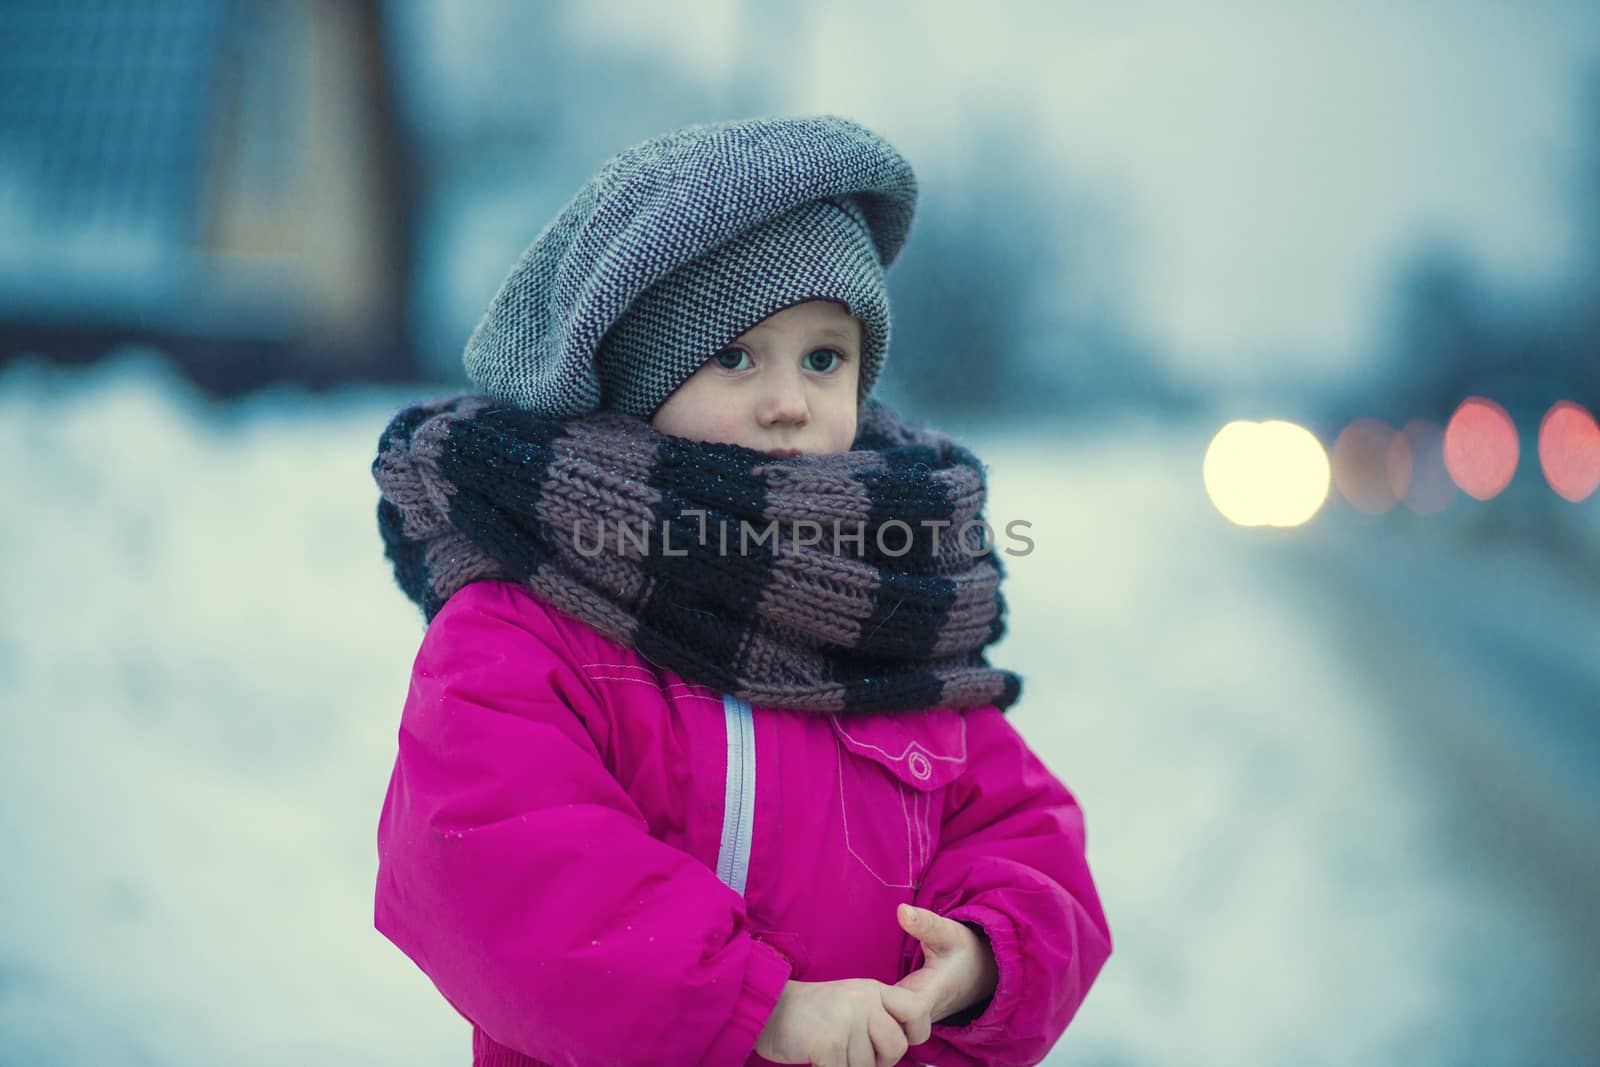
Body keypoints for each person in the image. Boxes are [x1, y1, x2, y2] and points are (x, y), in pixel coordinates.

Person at [370, 114, 1112, 1067]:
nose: (789, 401)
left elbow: (1024, 834)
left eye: (823, 357)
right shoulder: (528, 619)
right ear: (639, 377)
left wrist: (979, 957)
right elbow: (490, 859)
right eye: (733, 355)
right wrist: (754, 1005)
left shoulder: (888, 613)